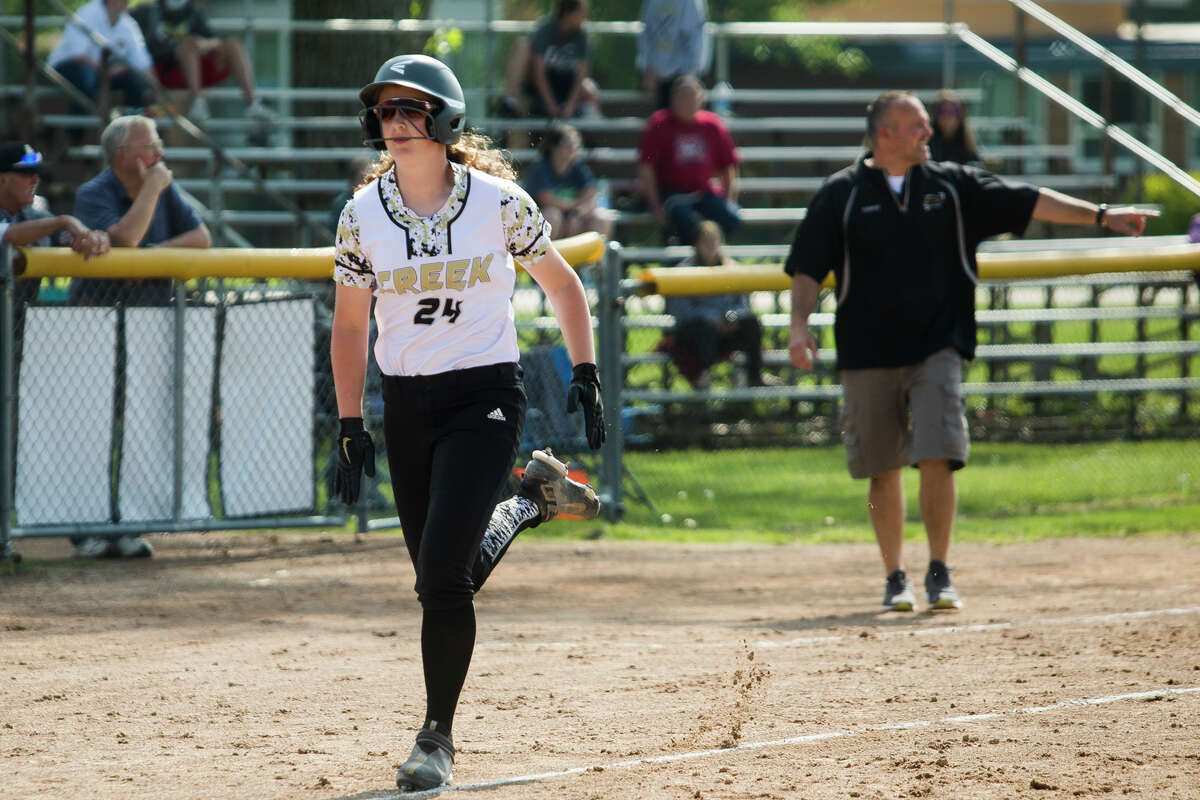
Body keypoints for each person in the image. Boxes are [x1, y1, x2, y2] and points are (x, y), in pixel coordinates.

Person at [332, 53, 606, 792]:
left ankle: (435, 739)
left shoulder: (499, 203)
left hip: (484, 396)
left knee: (445, 581)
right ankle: (530, 501)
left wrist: (585, 373)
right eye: (385, 111)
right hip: (408, 405)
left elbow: (562, 283)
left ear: (448, 119)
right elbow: (352, 327)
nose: (395, 123)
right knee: (434, 579)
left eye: (410, 109)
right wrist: (349, 420)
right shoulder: (362, 215)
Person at [784, 90, 1158, 613]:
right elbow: (806, 267)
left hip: (938, 345)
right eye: (916, 126)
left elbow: (1027, 198)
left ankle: (939, 569)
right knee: (881, 468)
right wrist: (799, 327)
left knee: (939, 453)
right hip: (866, 351)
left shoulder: (953, 185)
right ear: (885, 132)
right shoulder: (841, 193)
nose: (929, 133)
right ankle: (895, 576)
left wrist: (1100, 215)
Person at [68, 115, 212, 560]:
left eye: (158, 145)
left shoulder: (164, 188)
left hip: (148, 325)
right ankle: (85, 527)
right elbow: (124, 239)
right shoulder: (95, 192)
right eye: (149, 147)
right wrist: (151, 190)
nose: (159, 155)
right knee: (93, 428)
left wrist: (148, 257)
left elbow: (201, 238)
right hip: (97, 325)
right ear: (122, 155)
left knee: (138, 426)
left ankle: (130, 521)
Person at [130, 0, 274, 126]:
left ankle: (252, 104)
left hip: (196, 70)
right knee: (187, 44)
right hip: (163, 71)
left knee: (233, 44)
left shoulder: (195, 11)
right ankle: (197, 101)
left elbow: (213, 41)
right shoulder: (147, 12)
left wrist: (201, 44)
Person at [657, 220, 765, 388]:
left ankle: (754, 377)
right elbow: (682, 312)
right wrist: (713, 319)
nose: (711, 246)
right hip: (698, 331)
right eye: (706, 242)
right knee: (703, 328)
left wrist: (730, 318)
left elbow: (743, 306)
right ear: (696, 244)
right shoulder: (683, 272)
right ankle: (702, 376)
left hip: (727, 328)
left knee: (751, 324)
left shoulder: (733, 269)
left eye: (715, 241)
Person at [638, 74, 741, 245]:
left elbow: (728, 166)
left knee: (731, 219)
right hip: (673, 194)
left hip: (704, 192)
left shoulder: (712, 125)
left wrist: (729, 200)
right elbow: (646, 168)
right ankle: (693, 262)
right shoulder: (659, 124)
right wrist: (655, 205)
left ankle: (714, 259)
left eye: (693, 96)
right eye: (684, 97)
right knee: (689, 224)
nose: (689, 102)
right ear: (674, 99)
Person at [48, 0, 158, 117]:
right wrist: (106, 70)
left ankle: (133, 122)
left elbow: (142, 61)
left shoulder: (128, 24)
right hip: (67, 67)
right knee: (87, 78)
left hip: (103, 71)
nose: (127, 3)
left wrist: (157, 87)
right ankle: (77, 130)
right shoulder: (87, 13)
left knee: (133, 81)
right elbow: (77, 54)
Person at [499, 0, 600, 120]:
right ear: (568, 13)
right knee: (522, 45)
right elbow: (539, 72)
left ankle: (594, 126)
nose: (585, 16)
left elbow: (582, 72)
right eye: (582, 13)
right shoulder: (546, 29)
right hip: (545, 82)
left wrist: (570, 105)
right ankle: (509, 101)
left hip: (565, 81)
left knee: (591, 88)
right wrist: (550, 105)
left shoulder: (581, 35)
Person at [520, 122, 611, 239]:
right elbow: (546, 200)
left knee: (600, 218)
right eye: (568, 144)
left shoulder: (579, 167)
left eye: (575, 144)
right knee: (553, 216)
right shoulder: (540, 168)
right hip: (544, 221)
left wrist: (576, 214)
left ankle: (592, 258)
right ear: (553, 147)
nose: (573, 148)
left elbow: (591, 197)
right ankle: (546, 257)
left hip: (573, 217)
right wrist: (574, 209)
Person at [637, 0, 710, 110]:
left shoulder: (692, 3)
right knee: (662, 122)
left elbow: (698, 38)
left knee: (684, 122)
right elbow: (646, 31)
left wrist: (690, 76)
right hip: (657, 76)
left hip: (683, 77)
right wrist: (646, 67)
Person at [928, 89, 982, 167]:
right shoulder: (928, 137)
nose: (948, 117)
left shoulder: (968, 140)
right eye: (943, 112)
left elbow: (977, 166)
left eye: (953, 112)